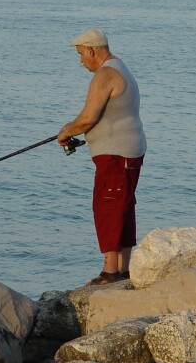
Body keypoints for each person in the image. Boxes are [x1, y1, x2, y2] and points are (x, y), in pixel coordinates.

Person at [57, 29, 147, 286]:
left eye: (80, 54)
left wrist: (65, 131)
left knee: (108, 205)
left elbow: (87, 118)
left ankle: (110, 272)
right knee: (123, 206)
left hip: (117, 154)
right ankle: (124, 269)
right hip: (128, 150)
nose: (80, 61)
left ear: (91, 50)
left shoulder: (105, 74)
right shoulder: (120, 67)